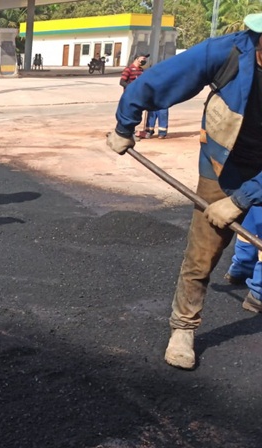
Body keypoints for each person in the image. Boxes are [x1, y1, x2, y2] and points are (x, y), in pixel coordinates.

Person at [106, 13, 262, 370]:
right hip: (226, 163)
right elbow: (158, 81)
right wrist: (124, 124)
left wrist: (241, 201)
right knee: (204, 250)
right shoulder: (227, 52)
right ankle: (184, 327)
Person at [119, 53, 150, 138]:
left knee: (136, 114)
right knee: (130, 114)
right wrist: (132, 88)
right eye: (143, 58)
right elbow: (122, 82)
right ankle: (129, 133)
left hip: (139, 96)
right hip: (130, 96)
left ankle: (134, 132)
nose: (144, 61)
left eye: (145, 59)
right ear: (137, 58)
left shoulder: (141, 71)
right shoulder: (128, 69)